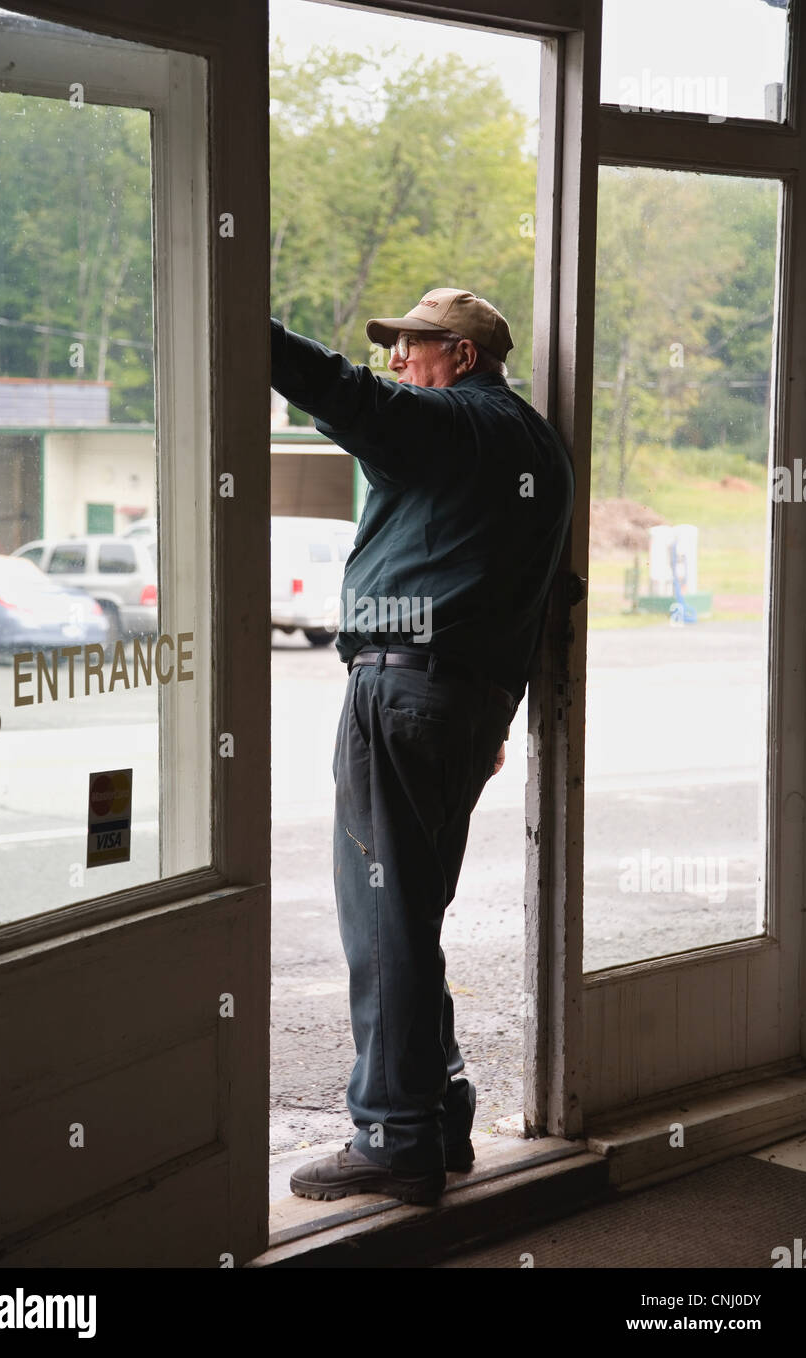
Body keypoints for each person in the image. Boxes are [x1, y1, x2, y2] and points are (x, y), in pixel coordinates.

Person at [270, 288, 574, 1206]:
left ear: (464, 359)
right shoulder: (539, 449)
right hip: (462, 702)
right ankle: (438, 1116)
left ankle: (396, 1139)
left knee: (383, 921)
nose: (399, 359)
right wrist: (495, 716)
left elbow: (346, 394)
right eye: (395, 347)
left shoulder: (451, 423)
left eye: (413, 345)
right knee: (409, 914)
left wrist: (244, 320)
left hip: (404, 691)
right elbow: (538, 600)